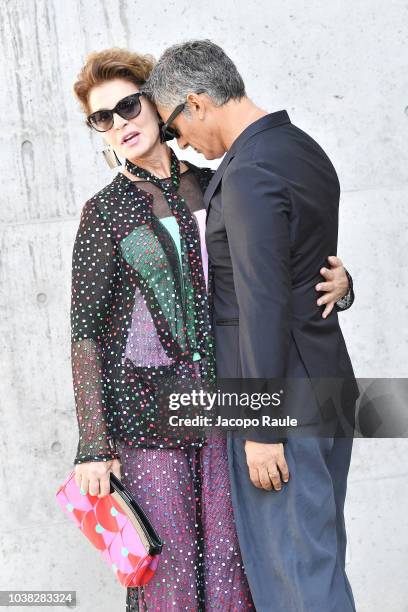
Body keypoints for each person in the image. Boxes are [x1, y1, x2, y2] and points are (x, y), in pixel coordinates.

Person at [70, 48, 353, 611]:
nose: (119, 123)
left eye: (128, 106)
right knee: (168, 579)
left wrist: (341, 285)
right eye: (102, 118)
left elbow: (274, 269)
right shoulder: (104, 213)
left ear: (159, 106)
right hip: (150, 415)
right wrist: (93, 445)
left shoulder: (221, 179)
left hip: (232, 407)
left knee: (237, 573)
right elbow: (86, 334)